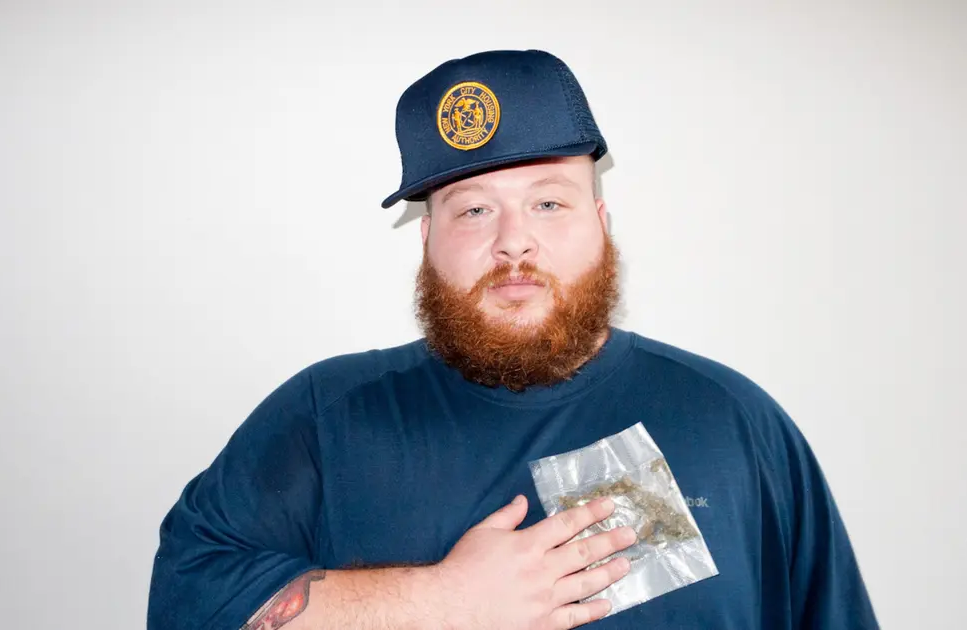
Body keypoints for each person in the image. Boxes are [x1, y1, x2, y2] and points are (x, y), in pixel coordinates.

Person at [147, 49, 878, 629]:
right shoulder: (325, 418)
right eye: (473, 210)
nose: (514, 241)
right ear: (427, 239)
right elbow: (183, 603)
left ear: (601, 223)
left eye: (549, 202)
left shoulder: (735, 423)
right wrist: (442, 604)